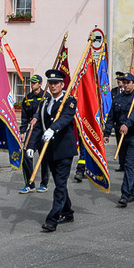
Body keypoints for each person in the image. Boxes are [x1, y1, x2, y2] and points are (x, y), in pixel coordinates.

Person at [27, 69, 77, 232]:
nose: (53, 86)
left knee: (60, 185)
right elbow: (38, 126)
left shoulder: (69, 101)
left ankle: (52, 219)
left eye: (56, 83)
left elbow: (66, 118)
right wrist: (31, 146)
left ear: (62, 85)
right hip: (49, 150)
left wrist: (53, 128)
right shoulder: (45, 102)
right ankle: (67, 212)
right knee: (59, 182)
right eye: (51, 83)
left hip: (64, 150)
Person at [103, 72, 134, 207]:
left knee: (129, 163)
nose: (126, 85)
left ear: (133, 83)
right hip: (122, 135)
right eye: (124, 82)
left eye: (128, 82)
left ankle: (125, 195)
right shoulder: (118, 98)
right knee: (127, 163)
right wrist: (106, 132)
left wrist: (127, 124)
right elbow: (111, 116)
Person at [19, 74, 50, 193]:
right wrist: (22, 131)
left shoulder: (46, 96)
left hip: (44, 130)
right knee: (26, 156)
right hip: (32, 131)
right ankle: (29, 184)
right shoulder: (28, 98)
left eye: (34, 83)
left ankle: (44, 183)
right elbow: (24, 117)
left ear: (40, 84)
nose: (32, 84)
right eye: (31, 82)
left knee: (44, 158)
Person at [109, 71, 126, 172]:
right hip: (117, 123)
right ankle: (121, 163)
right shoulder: (114, 91)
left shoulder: (128, 92)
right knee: (119, 143)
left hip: (126, 123)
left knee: (126, 144)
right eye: (118, 80)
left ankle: (126, 163)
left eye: (120, 80)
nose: (119, 81)